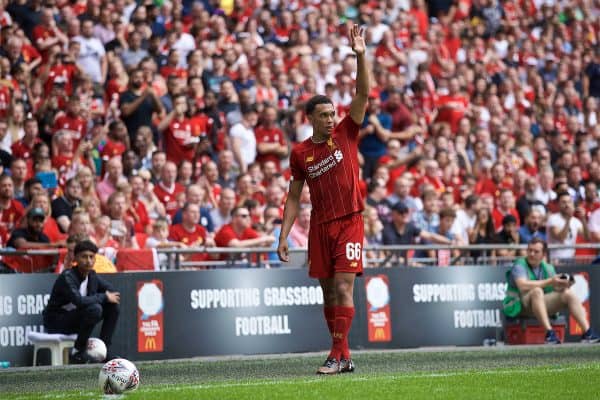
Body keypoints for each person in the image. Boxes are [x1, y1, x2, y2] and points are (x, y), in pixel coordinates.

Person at [277, 25, 368, 375]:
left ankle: (335, 355)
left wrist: (360, 55)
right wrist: (284, 235)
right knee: (328, 295)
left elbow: (363, 93)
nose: (332, 119)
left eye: (333, 114)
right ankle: (343, 357)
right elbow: (294, 197)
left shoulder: (347, 132)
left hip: (350, 221)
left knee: (344, 288)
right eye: (325, 115)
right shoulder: (301, 153)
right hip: (320, 226)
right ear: (311, 118)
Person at [503, 238, 600, 344]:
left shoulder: (548, 268)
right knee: (537, 291)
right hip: (518, 305)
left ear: (543, 254)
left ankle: (587, 333)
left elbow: (554, 289)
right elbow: (522, 285)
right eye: (530, 250)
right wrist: (550, 281)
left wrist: (564, 285)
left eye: (536, 251)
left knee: (567, 294)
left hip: (538, 304)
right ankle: (549, 333)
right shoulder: (519, 264)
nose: (531, 254)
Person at [43, 240, 120, 363]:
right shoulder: (67, 277)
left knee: (113, 308)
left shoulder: (92, 276)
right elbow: (78, 300)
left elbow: (112, 291)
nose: (88, 260)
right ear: (76, 258)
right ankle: (78, 351)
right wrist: (104, 297)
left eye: (92, 257)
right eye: (84, 257)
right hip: (57, 322)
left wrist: (105, 296)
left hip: (75, 320)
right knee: (95, 309)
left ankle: (105, 351)